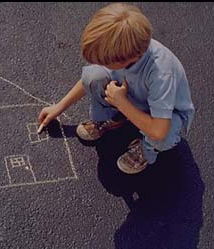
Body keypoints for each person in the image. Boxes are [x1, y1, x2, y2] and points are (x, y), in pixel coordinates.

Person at [38, 3, 195, 174]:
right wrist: (59, 106)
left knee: (163, 137)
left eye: (106, 62)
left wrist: (121, 103)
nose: (102, 64)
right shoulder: (126, 49)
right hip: (133, 98)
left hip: (164, 118)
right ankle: (114, 120)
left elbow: (159, 130)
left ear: (127, 58)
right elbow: (88, 79)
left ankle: (146, 148)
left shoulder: (161, 73)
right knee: (93, 75)